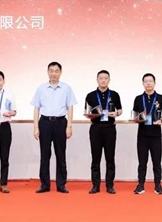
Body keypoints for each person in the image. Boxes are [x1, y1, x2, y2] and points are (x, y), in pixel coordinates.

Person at [31, 61, 77, 193]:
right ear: (47, 72)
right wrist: (36, 127)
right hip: (45, 122)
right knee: (44, 154)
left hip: (60, 122)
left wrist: (69, 126)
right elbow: (36, 108)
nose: (54, 74)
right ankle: (44, 185)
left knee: (60, 154)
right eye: (51, 71)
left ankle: (61, 185)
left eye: (56, 71)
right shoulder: (41, 88)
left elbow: (70, 107)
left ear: (60, 72)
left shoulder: (66, 88)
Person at [84, 70, 123, 194]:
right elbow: (86, 112)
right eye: (101, 78)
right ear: (97, 80)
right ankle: (95, 185)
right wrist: (90, 115)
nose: (103, 80)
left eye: (106, 78)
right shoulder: (90, 95)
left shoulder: (114, 95)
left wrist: (116, 113)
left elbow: (120, 110)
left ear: (109, 80)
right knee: (95, 158)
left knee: (110, 158)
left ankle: (110, 185)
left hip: (110, 128)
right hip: (95, 128)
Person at [132, 73, 162, 195]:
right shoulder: (138, 98)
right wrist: (137, 119)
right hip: (142, 135)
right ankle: (140, 185)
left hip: (156, 135)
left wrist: (161, 120)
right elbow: (134, 115)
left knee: (156, 162)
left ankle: (158, 185)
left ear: (154, 83)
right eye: (146, 81)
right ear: (143, 83)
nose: (148, 83)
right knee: (142, 162)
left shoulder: (161, 98)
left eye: (150, 81)